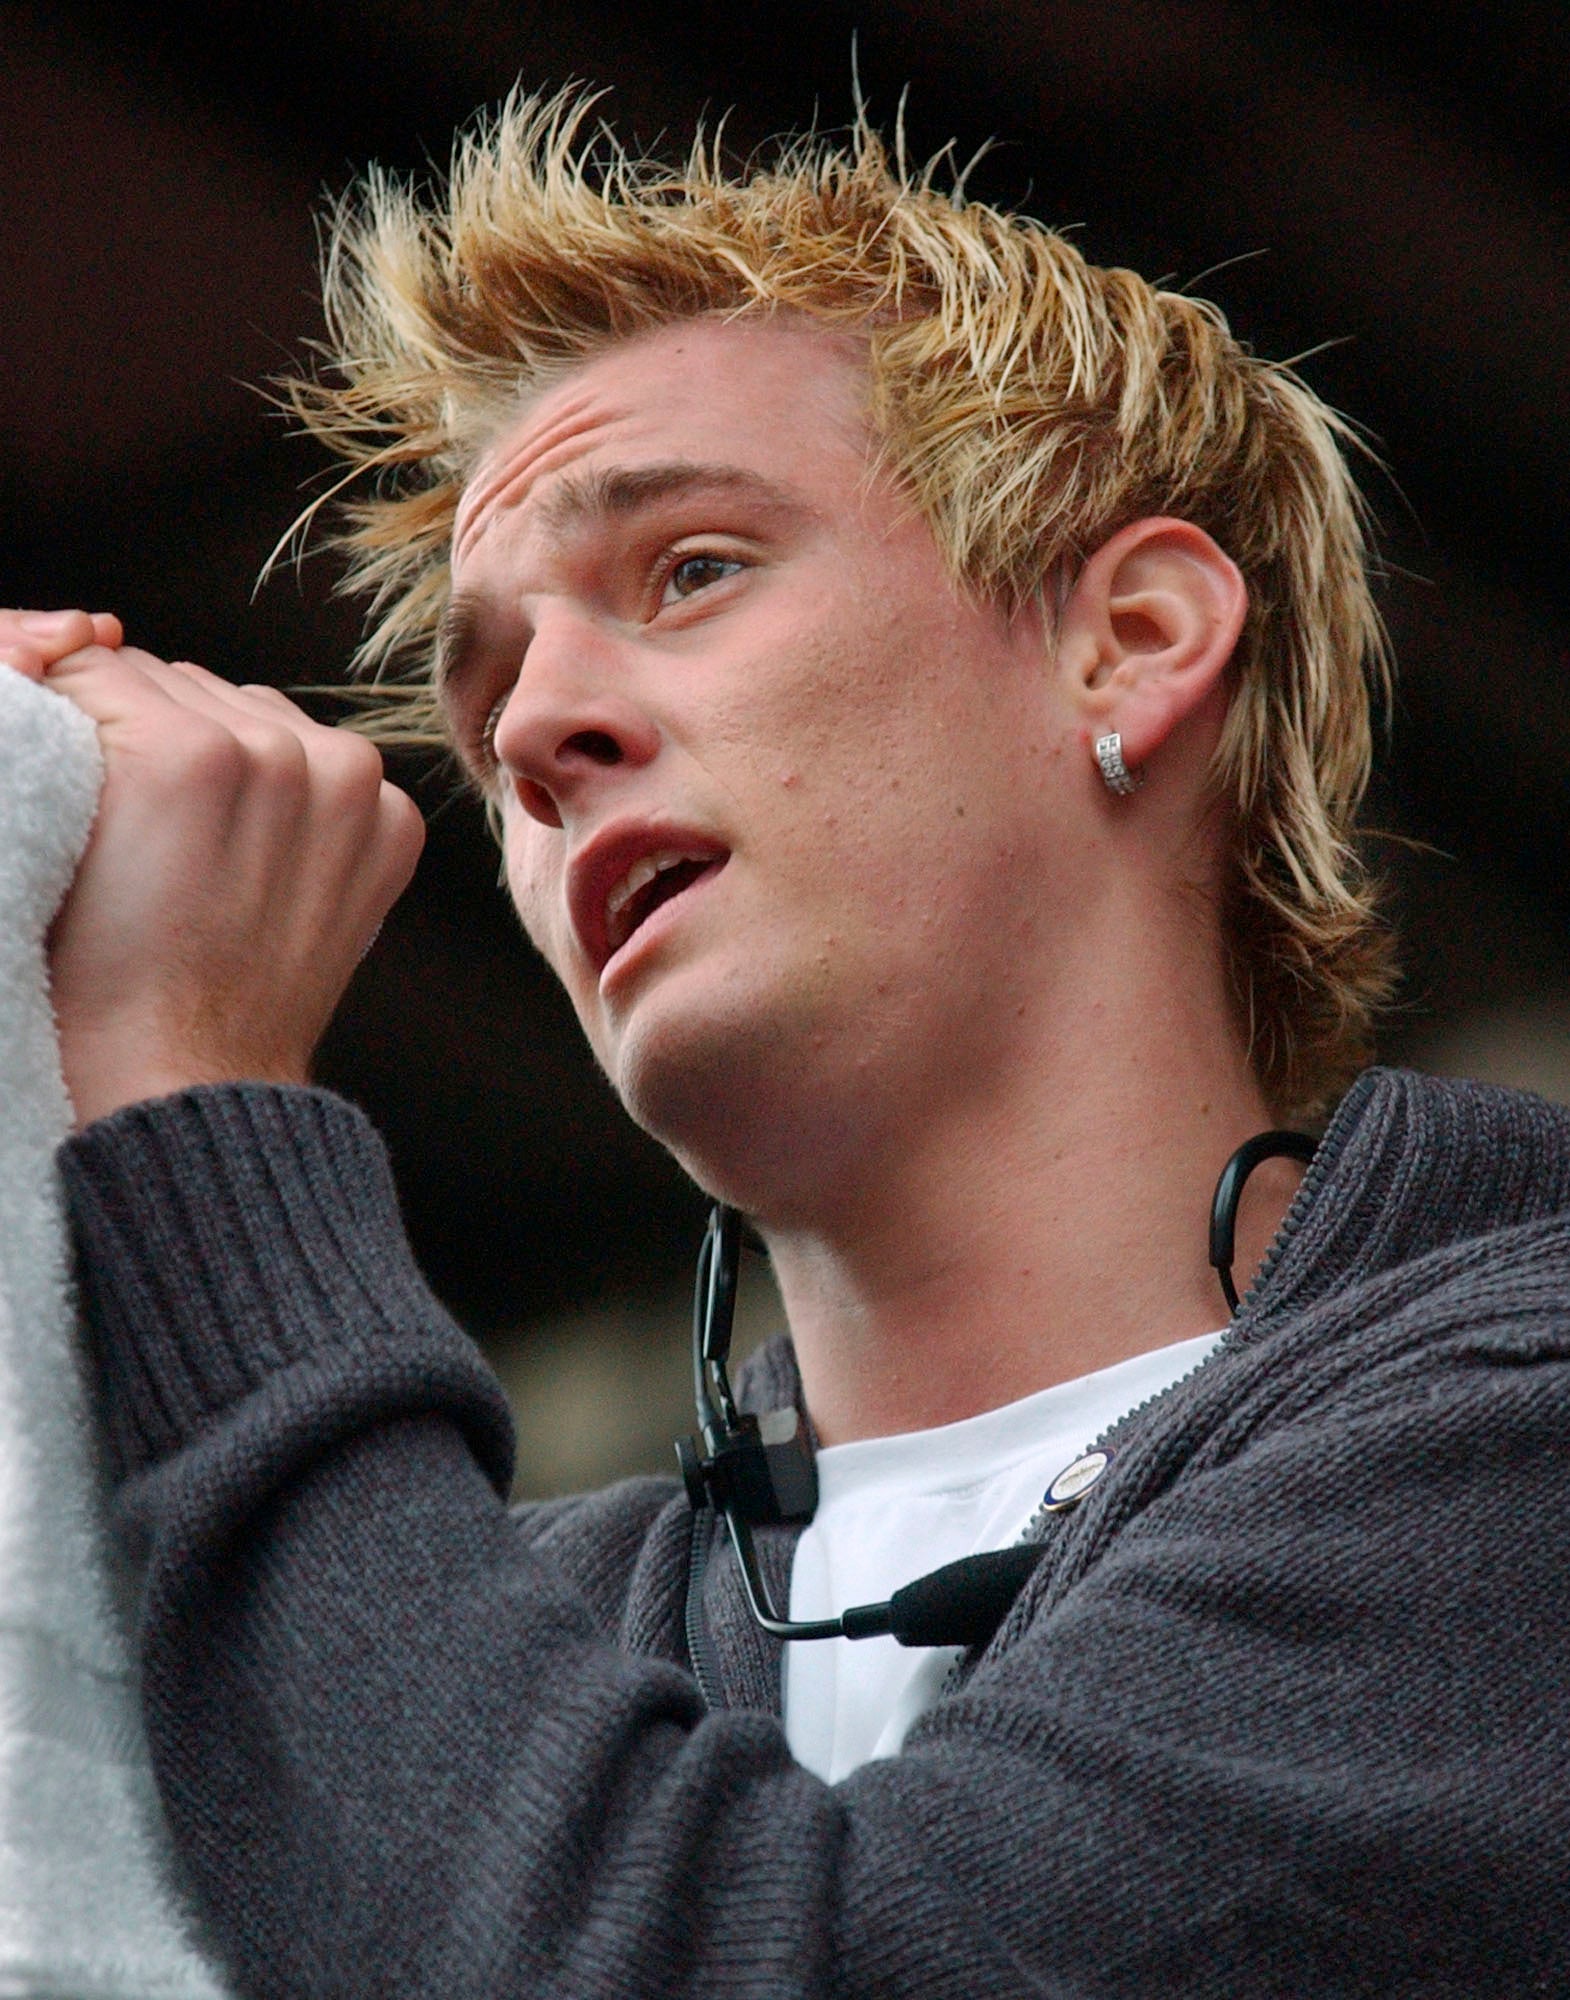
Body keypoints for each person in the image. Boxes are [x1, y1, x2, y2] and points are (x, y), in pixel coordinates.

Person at [9, 90, 1570, 1996]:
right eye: (484, 684)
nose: (532, 733)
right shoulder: (508, 1631)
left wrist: (204, 1105)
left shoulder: (1515, 1427)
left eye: (690, 570)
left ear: (1133, 638)